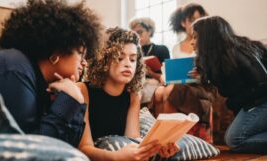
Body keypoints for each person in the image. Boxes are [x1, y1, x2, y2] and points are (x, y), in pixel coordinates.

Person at [0, 0, 102, 147]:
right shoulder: (14, 68)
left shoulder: (44, 84)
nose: (84, 62)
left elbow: (66, 147)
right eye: (80, 53)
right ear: (57, 51)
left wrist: (74, 101)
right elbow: (30, 149)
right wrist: (68, 103)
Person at [77, 27, 179, 161]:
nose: (127, 65)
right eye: (119, 58)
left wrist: (156, 150)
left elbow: (131, 140)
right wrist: (115, 157)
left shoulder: (133, 95)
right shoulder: (83, 90)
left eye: (132, 59)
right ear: (103, 60)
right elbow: (84, 148)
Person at [191, 16, 267, 154]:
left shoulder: (237, 52)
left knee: (235, 140)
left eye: (196, 37)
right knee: (233, 139)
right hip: (256, 103)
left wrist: (234, 101)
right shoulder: (220, 59)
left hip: (262, 101)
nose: (192, 42)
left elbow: (264, 83)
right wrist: (204, 74)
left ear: (208, 38)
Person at [152, 3, 213, 143]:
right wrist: (165, 76)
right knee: (159, 92)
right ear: (183, 23)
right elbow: (175, 71)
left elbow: (213, 72)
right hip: (180, 84)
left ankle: (170, 140)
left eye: (200, 19)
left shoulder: (205, 44)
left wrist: (200, 74)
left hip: (200, 86)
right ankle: (159, 139)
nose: (196, 23)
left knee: (169, 91)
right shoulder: (176, 48)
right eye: (192, 20)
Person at [129, 17, 170, 104]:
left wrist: (151, 73)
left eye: (140, 32)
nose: (137, 36)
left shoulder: (162, 49)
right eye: (134, 33)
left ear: (150, 31)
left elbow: (168, 78)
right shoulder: (131, 51)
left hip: (155, 85)